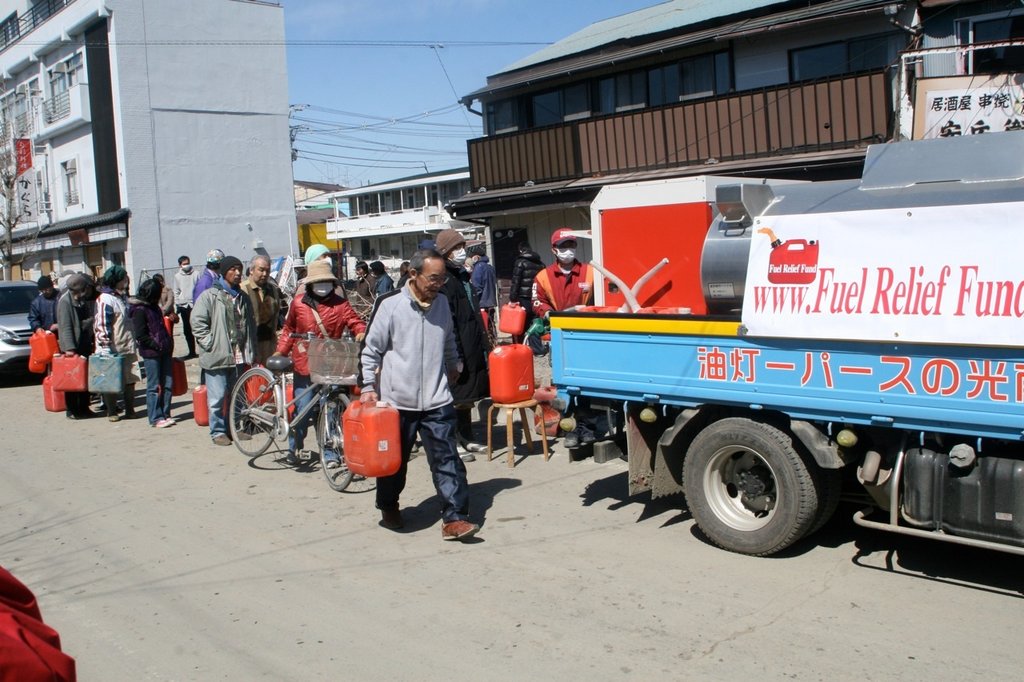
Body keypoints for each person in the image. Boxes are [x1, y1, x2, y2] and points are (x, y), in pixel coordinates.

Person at [360, 249, 480, 541]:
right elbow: (370, 349)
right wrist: (366, 388)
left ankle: (454, 517)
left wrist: (454, 365)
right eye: (433, 278)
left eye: (442, 278)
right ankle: (388, 506)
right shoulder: (389, 305)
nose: (438, 284)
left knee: (447, 459)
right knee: (394, 463)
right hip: (396, 401)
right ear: (413, 274)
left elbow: (449, 339)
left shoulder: (441, 303)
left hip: (437, 399)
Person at [274, 259, 366, 465]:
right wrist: (281, 351)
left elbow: (354, 320)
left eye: (326, 282)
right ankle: (294, 447)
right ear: (310, 284)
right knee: (303, 408)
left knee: (332, 408)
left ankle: (331, 453)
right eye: (319, 282)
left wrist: (360, 332)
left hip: (331, 363)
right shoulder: (298, 303)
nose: (322, 286)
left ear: (333, 284)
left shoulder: (341, 304)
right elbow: (289, 329)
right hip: (305, 363)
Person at [532, 228, 597, 447]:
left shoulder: (589, 272)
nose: (568, 250)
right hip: (559, 337)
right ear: (554, 250)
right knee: (564, 384)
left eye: (571, 245)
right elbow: (537, 301)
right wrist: (547, 312)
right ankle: (570, 429)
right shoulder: (543, 277)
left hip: (586, 337)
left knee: (585, 384)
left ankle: (587, 427)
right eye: (563, 246)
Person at [433, 228, 490, 460]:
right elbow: (449, 320)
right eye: (456, 248)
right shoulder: (444, 279)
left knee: (467, 395)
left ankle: (467, 437)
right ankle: (453, 440)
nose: (461, 251)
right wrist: (453, 354)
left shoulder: (463, 274)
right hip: (455, 346)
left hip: (472, 341)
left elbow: (474, 311)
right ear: (445, 252)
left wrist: (484, 342)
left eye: (462, 246)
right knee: (453, 397)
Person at [192, 255, 257, 446]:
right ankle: (217, 431)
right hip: (217, 355)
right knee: (217, 397)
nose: (237, 273)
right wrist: (210, 343)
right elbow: (197, 322)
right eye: (233, 269)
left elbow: (249, 324)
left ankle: (234, 428)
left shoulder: (242, 297)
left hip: (238, 354)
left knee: (237, 395)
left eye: (239, 269)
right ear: (223, 271)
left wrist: (251, 349)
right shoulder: (210, 296)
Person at [94, 265, 141, 422]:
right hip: (112, 347)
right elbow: (102, 324)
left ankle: (130, 409)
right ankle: (112, 411)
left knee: (130, 378)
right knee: (110, 381)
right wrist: (105, 345)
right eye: (123, 278)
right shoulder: (105, 299)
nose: (126, 281)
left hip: (126, 345)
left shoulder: (121, 297)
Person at [128, 278, 175, 428]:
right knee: (154, 386)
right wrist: (156, 345)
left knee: (167, 384)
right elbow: (141, 335)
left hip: (164, 350)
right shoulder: (140, 310)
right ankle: (155, 417)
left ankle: (166, 413)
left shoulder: (154, 307)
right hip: (151, 353)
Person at [55, 274, 96, 420]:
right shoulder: (65, 302)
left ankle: (84, 407)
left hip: (84, 342)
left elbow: (84, 320)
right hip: (72, 347)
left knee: (84, 377)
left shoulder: (81, 300)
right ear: (79, 289)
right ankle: (72, 409)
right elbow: (65, 327)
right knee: (71, 379)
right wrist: (69, 349)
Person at [241, 254, 281, 365]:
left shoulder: (273, 289)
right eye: (261, 270)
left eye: (267, 271)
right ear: (251, 270)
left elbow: (277, 313)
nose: (265, 274)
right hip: (251, 344)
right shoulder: (243, 289)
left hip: (269, 343)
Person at [509, 241, 544, 343]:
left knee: (520, 322)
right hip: (536, 297)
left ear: (521, 250)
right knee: (535, 322)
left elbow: (515, 282)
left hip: (523, 297)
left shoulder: (520, 262)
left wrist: (512, 299)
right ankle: (537, 347)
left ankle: (520, 346)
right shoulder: (540, 263)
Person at [173, 255, 201, 358]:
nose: (186, 265)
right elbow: (176, 291)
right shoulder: (177, 276)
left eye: (187, 263)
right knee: (187, 329)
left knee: (198, 327)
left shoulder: (196, 274)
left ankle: (202, 350)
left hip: (195, 304)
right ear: (180, 265)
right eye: (184, 264)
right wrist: (178, 303)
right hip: (184, 305)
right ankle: (191, 351)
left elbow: (199, 288)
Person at [470, 250, 497, 340]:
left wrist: (473, 300)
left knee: (484, 328)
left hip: (482, 302)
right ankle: (493, 343)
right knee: (491, 326)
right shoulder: (490, 267)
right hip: (491, 302)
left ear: (476, 256)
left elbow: (477, 287)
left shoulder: (478, 267)